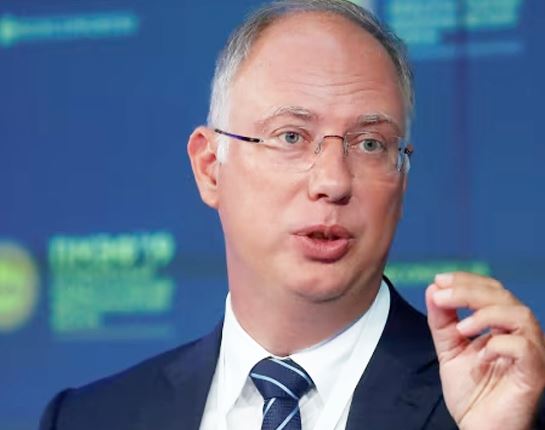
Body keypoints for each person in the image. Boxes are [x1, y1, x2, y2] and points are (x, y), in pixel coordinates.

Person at [40, 1, 545, 429]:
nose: (333, 182)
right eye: (291, 136)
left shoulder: (503, 406)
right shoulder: (90, 417)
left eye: (370, 144)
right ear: (210, 168)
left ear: (403, 177)